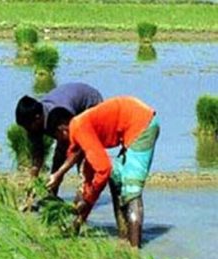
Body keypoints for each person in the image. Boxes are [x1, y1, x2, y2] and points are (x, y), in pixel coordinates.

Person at [48, 96, 160, 248]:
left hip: (142, 125)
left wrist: (86, 200)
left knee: (131, 190)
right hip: (133, 124)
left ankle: (134, 252)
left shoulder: (79, 128)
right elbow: (87, 174)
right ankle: (123, 237)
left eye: (58, 138)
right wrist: (79, 221)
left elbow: (103, 170)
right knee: (115, 179)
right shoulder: (81, 130)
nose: (60, 143)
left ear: (62, 130)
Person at [15, 83, 103, 195]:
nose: (27, 131)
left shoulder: (59, 116)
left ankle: (86, 197)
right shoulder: (34, 123)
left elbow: (75, 149)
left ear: (37, 119)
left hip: (90, 105)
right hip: (70, 104)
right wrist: (33, 178)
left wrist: (59, 173)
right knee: (59, 158)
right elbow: (38, 152)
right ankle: (52, 195)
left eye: (27, 126)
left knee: (82, 159)